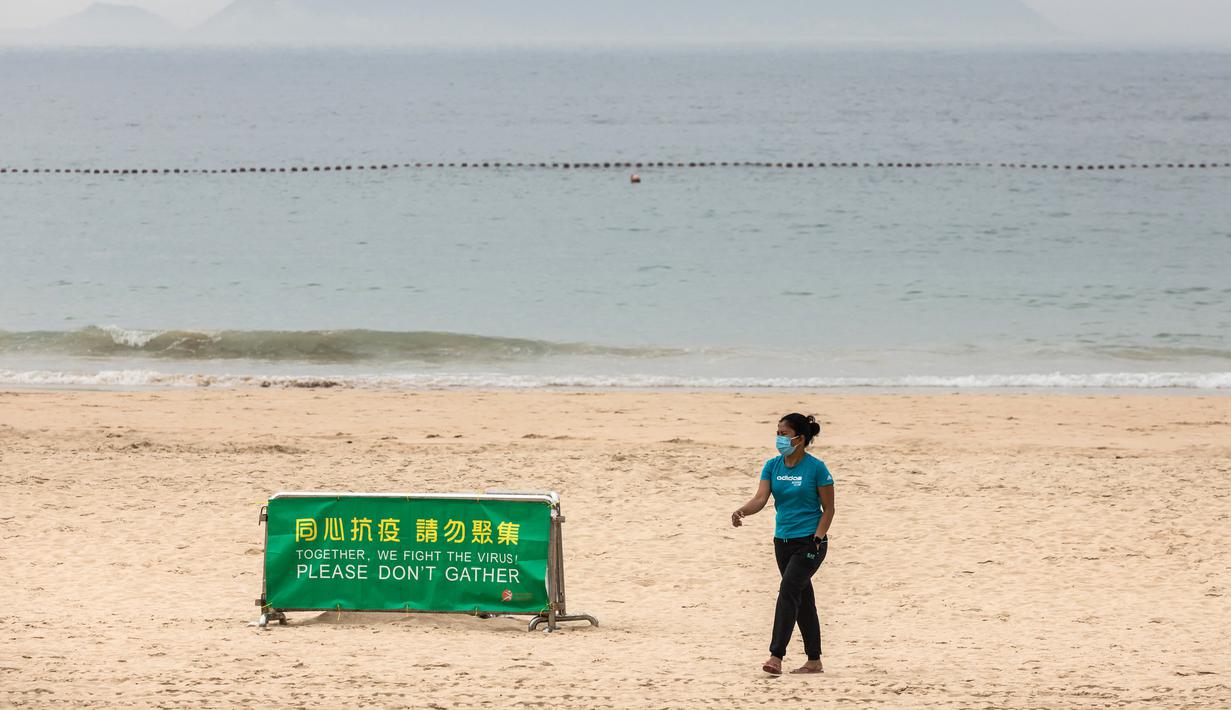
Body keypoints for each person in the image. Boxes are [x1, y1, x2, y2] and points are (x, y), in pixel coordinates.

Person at [731, 412, 835, 676]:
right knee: (803, 597)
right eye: (777, 433)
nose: (779, 438)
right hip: (783, 542)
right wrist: (742, 510)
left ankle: (776, 655)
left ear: (799, 438)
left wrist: (818, 537)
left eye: (784, 434)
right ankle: (814, 660)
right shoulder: (772, 466)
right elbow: (760, 498)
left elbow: (829, 509)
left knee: (788, 591)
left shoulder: (816, 468)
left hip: (810, 542)